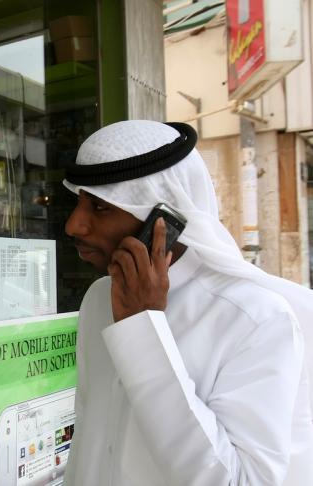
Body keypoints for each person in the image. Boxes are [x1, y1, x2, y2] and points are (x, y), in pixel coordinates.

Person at [61, 120, 313, 485]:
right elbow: (88, 436)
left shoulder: (254, 318)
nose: (74, 225)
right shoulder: (100, 298)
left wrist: (143, 329)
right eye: (79, 201)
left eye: (100, 207)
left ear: (164, 220)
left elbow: (244, 481)